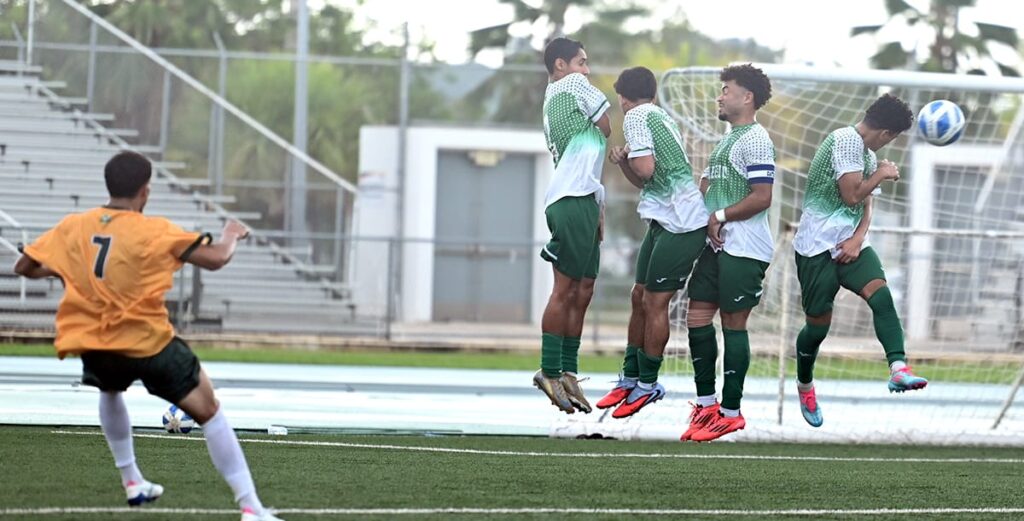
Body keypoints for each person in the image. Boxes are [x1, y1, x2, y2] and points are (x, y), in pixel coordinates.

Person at [14, 151, 283, 521]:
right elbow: (218, 257)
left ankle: (132, 481)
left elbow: (25, 266)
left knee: (110, 390)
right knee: (210, 413)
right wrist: (231, 233)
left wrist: (65, 269)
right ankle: (251, 506)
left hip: (98, 343)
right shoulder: (154, 230)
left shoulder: (75, 226)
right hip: (149, 342)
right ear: (145, 191)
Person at [791, 93, 928, 428]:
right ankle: (805, 384)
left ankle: (898, 368)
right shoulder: (844, 140)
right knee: (817, 328)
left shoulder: (867, 155)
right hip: (817, 248)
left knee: (881, 296)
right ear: (887, 134)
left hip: (852, 246)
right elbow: (852, 193)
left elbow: (865, 204)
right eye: (893, 139)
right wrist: (881, 174)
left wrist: (857, 238)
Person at [597, 66, 707, 419]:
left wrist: (628, 159)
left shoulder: (637, 115)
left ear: (623, 98)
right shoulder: (657, 114)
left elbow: (644, 170)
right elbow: (645, 179)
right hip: (665, 220)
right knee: (638, 296)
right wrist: (625, 163)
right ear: (654, 93)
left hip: (682, 223)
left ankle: (648, 383)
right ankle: (629, 377)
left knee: (655, 302)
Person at [680, 64, 777, 442]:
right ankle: (706, 406)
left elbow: (762, 197)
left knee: (733, 325)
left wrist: (718, 215)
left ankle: (731, 412)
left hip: (744, 248)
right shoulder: (727, 139)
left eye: (725, 89)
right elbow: (707, 187)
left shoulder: (756, 139)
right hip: (715, 247)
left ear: (746, 97)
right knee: (696, 319)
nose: (719, 96)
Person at [534, 37, 611, 414]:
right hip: (570, 199)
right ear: (561, 65)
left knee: (584, 288)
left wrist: (599, 206)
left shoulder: (557, 95)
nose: (587, 69)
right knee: (566, 289)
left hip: (584, 199)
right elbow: (607, 124)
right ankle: (549, 370)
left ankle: (568, 371)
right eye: (582, 61)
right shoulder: (571, 85)